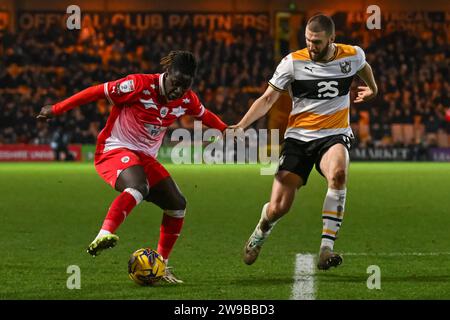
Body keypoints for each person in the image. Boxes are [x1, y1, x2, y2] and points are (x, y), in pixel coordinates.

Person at [37, 51, 228, 283]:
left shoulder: (187, 100)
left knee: (177, 204)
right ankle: (104, 234)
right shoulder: (138, 84)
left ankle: (161, 266)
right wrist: (56, 109)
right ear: (166, 74)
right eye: (176, 83)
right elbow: (96, 92)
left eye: (185, 86)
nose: (179, 90)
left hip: (145, 157)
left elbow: (204, 115)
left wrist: (227, 130)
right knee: (139, 186)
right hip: (114, 149)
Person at [232, 15, 378, 270]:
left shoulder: (352, 55)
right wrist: (241, 125)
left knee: (339, 174)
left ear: (331, 39)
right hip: (298, 139)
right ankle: (260, 232)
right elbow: (267, 100)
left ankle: (326, 249)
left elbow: (364, 66)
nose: (312, 46)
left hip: (334, 134)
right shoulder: (292, 63)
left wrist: (373, 88)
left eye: (317, 42)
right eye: (308, 41)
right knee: (279, 207)